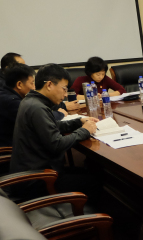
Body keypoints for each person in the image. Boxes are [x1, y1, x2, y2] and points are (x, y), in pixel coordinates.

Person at [9, 64, 99, 201]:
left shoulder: (31, 101)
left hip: (34, 172)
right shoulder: (37, 108)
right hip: (38, 180)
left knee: (90, 171)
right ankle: (83, 213)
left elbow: (53, 126)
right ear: (49, 85)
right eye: (64, 89)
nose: (65, 94)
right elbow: (57, 144)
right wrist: (85, 131)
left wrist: (78, 122)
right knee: (94, 181)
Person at [0, 64, 35, 146]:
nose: (34, 88)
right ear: (19, 85)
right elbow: (38, 119)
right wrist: (60, 113)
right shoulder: (12, 102)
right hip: (10, 148)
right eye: (32, 83)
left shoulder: (5, 94)